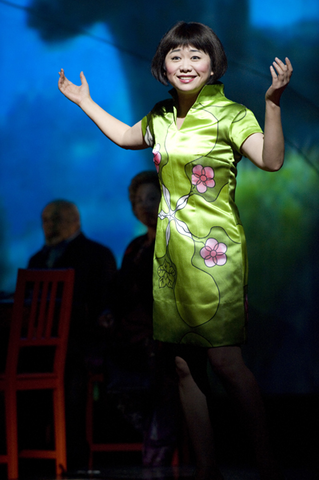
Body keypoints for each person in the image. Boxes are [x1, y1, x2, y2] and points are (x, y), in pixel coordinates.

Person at [58, 21, 293, 480]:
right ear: (163, 66)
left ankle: (267, 462)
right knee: (183, 366)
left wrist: (271, 104)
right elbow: (128, 136)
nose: (185, 64)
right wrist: (86, 102)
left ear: (213, 64)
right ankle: (206, 471)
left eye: (195, 56)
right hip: (169, 259)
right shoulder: (162, 115)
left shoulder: (232, 114)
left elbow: (272, 159)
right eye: (175, 56)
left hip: (215, 254)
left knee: (225, 361)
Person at [28, 199, 117, 469]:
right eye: (45, 219)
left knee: (71, 367)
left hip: (82, 344)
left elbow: (106, 303)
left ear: (75, 220)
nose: (49, 225)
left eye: (57, 218)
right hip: (40, 346)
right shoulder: (37, 259)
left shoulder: (97, 255)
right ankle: (29, 450)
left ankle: (73, 453)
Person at [100, 171, 180, 466]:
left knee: (160, 360)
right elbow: (118, 291)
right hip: (129, 336)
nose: (145, 205)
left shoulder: (175, 240)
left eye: (152, 198)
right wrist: (108, 313)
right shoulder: (134, 247)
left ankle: (162, 438)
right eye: (139, 200)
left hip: (160, 332)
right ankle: (151, 433)